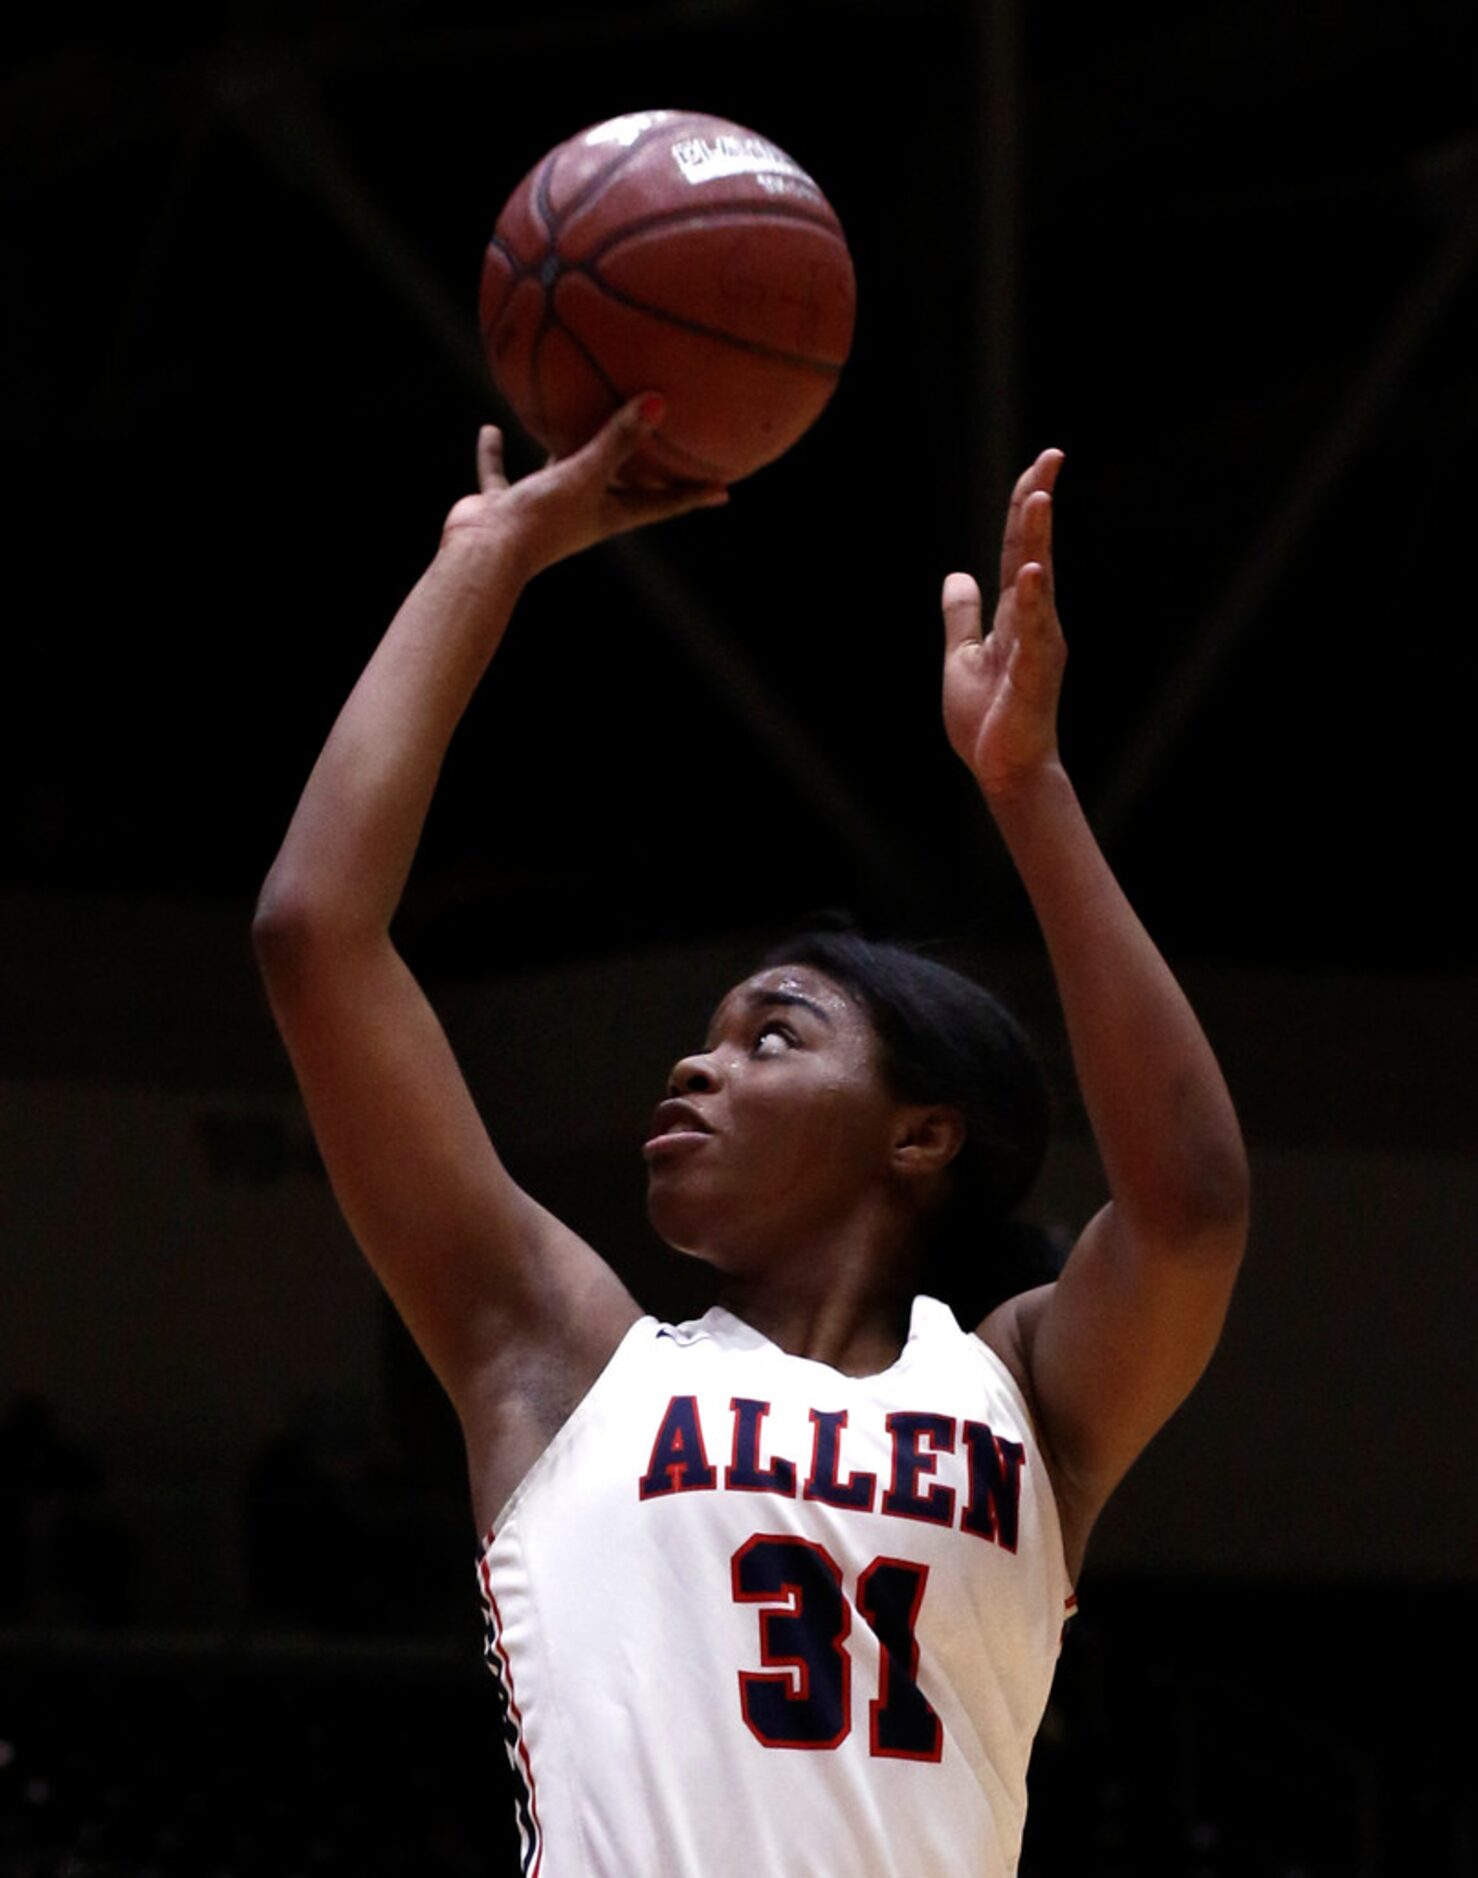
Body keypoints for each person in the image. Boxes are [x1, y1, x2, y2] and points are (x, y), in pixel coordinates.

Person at [252, 394, 1249, 1877]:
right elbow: (314, 933)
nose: (694, 1062)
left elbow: (1191, 1206)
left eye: (769, 1033)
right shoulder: (560, 1357)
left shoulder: (1023, 1391)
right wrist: (493, 554)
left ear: (921, 1135)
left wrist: (1025, 790)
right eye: (708, 1034)